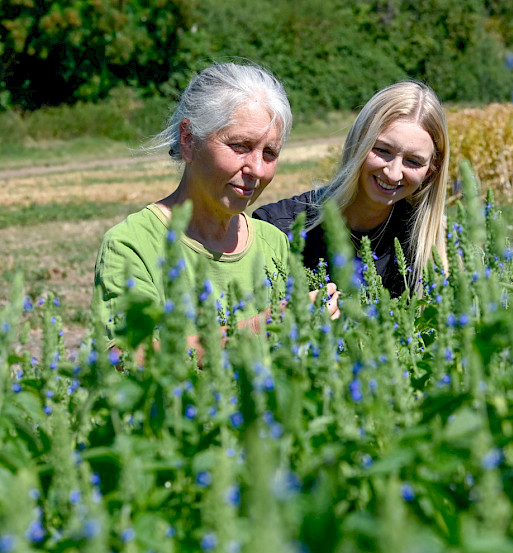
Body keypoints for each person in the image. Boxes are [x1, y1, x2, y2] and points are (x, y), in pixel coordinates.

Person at [92, 61, 338, 359]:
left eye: (270, 153)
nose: (257, 169)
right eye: (240, 146)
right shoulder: (133, 244)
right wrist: (257, 328)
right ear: (188, 140)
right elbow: (123, 358)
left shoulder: (273, 242)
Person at [253, 80, 449, 298]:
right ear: (359, 143)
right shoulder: (278, 227)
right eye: (383, 150)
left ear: (430, 170)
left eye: (413, 161)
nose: (393, 173)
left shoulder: (429, 244)